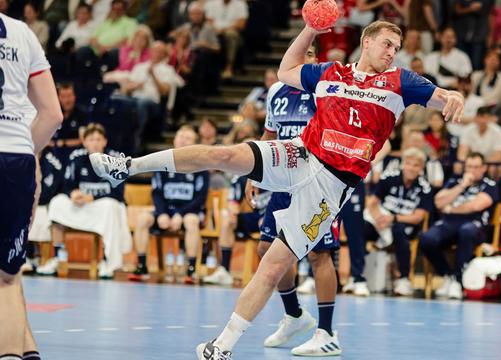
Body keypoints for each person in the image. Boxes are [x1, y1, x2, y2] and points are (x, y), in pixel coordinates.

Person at [90, 20, 464, 360]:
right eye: (386, 44)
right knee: (223, 153)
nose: (391, 52)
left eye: (396, 47)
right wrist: (309, 29)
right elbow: (286, 71)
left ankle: (222, 347)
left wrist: (451, 96)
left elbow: (439, 94)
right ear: (366, 42)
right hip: (300, 153)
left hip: (331, 186)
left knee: (274, 264)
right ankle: (128, 166)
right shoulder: (331, 72)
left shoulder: (400, 81)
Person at [238, 42, 347, 355]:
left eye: (310, 55)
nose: (304, 58)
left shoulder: (327, 90)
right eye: (299, 53)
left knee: (318, 255)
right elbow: (269, 136)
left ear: (315, 62)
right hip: (283, 180)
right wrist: (254, 173)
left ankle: (326, 332)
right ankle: (295, 315)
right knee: (265, 249)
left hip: (319, 183)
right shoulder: (276, 92)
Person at [0, 11, 63, 359]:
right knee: (7, 274)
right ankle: (26, 350)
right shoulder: (21, 32)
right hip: (17, 158)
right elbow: (52, 114)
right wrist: (29, 153)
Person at [42, 124, 132, 279]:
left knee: (110, 207)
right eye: (91, 139)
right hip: (82, 205)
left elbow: (118, 192)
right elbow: (65, 185)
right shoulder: (76, 157)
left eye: (98, 139)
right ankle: (58, 257)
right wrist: (73, 193)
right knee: (57, 202)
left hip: (104, 206)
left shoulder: (115, 160)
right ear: (85, 142)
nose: (95, 143)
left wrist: (93, 197)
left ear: (105, 141)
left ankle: (107, 261)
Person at [129, 126, 209, 284]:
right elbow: (156, 192)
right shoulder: (163, 163)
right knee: (143, 219)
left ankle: (191, 270)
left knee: (191, 221)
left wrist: (180, 214)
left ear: (194, 143)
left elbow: (200, 198)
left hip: (190, 211)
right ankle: (142, 266)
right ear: (174, 139)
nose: (182, 139)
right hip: (166, 210)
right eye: (180, 135)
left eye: (188, 138)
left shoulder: (201, 166)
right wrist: (163, 213)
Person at [419, 152, 498, 299]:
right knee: (427, 238)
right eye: (469, 167)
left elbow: (475, 206)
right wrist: (462, 186)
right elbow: (438, 202)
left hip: (474, 224)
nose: (472, 170)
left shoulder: (490, 185)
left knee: (466, 231)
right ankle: (447, 275)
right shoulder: (456, 181)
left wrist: (450, 208)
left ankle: (458, 280)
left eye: (476, 167)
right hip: (449, 222)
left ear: (483, 168)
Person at [364, 148, 433, 296]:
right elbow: (372, 203)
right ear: (402, 164)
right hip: (382, 220)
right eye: (408, 163)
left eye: (416, 165)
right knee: (362, 229)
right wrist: (378, 219)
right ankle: (357, 277)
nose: (411, 168)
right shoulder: (390, 177)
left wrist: (394, 219)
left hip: (406, 223)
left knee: (399, 231)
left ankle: (403, 278)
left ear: (421, 168)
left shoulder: (425, 187)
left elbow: (418, 217)